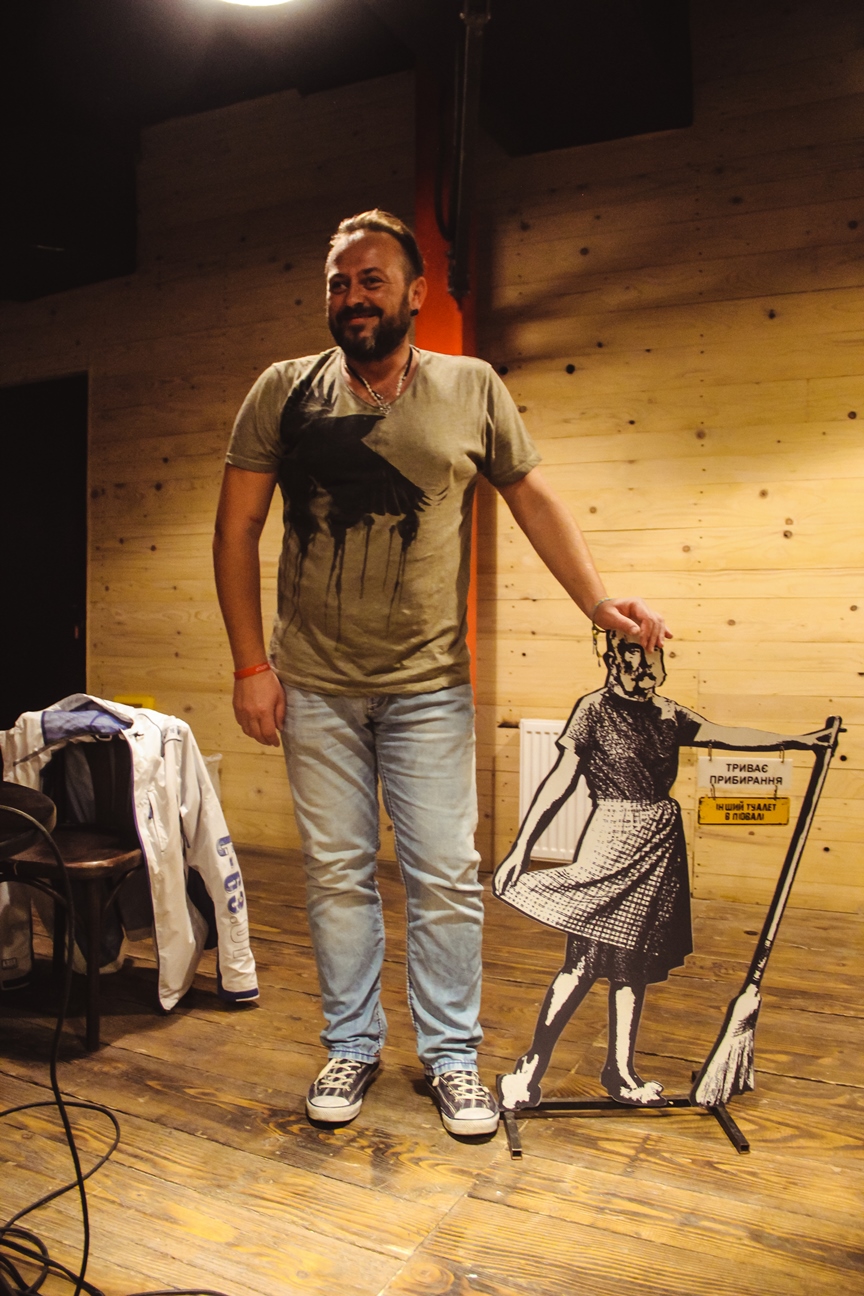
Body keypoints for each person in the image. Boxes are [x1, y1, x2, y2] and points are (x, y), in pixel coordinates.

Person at [212, 208, 668, 1137]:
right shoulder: (283, 390)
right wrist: (251, 663)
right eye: (339, 283)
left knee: (447, 877)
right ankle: (351, 1045)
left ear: (416, 293)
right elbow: (236, 527)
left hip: (429, 687)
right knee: (338, 876)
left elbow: (530, 495)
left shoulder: (471, 386)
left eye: (371, 280)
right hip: (315, 686)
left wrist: (595, 601)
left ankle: (452, 1057)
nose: (352, 297)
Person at [493, 629, 835, 1110]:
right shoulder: (593, 710)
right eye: (634, 659)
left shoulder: (669, 713)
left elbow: (727, 734)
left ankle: (620, 1071)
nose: (645, 671)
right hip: (611, 837)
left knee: (634, 965)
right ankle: (530, 1069)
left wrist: (801, 741)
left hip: (659, 841)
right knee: (583, 963)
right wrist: (522, 848)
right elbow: (560, 781)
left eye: (653, 661)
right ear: (613, 661)